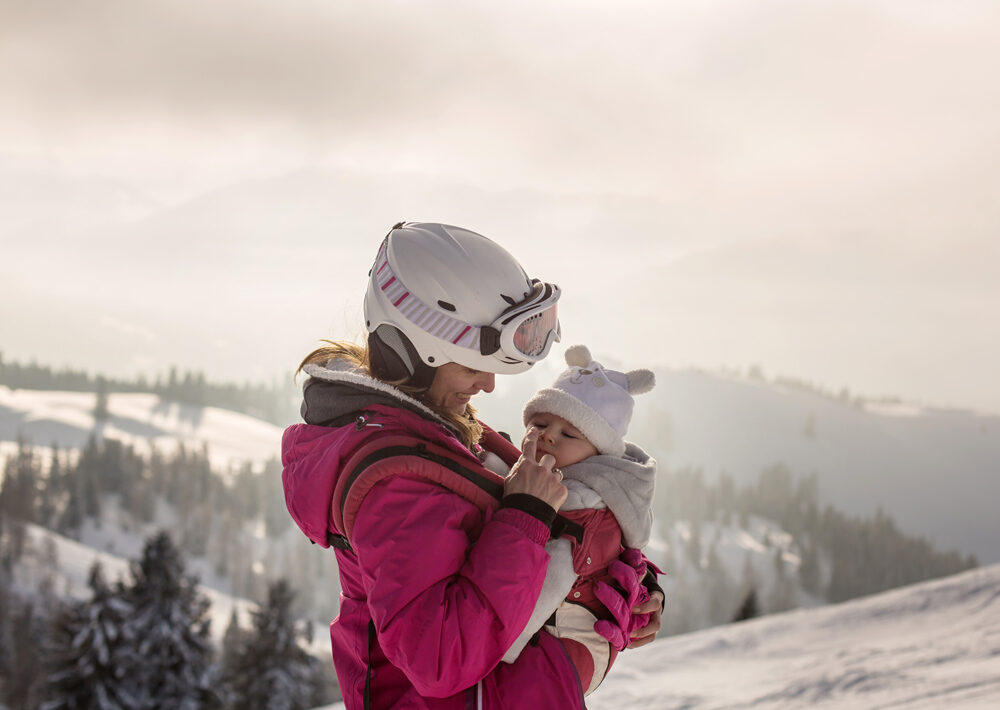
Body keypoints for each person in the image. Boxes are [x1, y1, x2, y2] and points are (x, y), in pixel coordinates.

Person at [281, 222, 663, 709]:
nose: (488, 385)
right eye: (470, 366)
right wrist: (525, 513)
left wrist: (627, 584)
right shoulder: (397, 486)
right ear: (412, 357)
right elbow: (440, 658)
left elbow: (547, 531)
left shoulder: (437, 428)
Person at [500, 345, 659, 696]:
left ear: (598, 453)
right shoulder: (557, 476)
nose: (548, 436)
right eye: (540, 423)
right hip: (567, 647)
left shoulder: (578, 498)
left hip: (560, 647)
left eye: (569, 434)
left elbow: (554, 576)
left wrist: (500, 648)